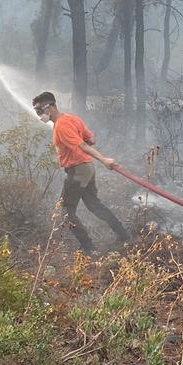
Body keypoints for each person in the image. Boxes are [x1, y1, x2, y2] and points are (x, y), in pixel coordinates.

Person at [32, 91, 130, 253]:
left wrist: (104, 160)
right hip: (87, 168)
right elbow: (91, 139)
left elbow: (84, 145)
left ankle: (89, 248)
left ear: (50, 107)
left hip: (77, 170)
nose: (39, 114)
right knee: (93, 204)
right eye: (36, 111)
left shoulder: (61, 126)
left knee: (65, 212)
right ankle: (124, 235)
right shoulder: (72, 119)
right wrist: (78, 143)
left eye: (39, 110)